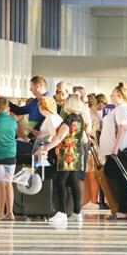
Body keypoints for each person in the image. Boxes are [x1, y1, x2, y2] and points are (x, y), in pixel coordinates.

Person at [36, 95, 86, 223]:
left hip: (67, 153)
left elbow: (60, 137)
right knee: (74, 181)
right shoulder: (80, 118)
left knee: (60, 181)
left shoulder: (69, 119)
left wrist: (46, 149)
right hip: (77, 152)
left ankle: (62, 211)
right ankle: (77, 212)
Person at [99, 82, 127, 219]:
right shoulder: (120, 109)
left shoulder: (122, 109)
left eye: (112, 94)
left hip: (119, 150)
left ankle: (123, 209)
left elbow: (123, 128)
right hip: (116, 149)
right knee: (119, 177)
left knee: (119, 178)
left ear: (119, 96)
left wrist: (115, 148)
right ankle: (121, 208)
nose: (110, 96)